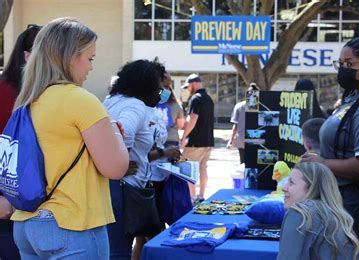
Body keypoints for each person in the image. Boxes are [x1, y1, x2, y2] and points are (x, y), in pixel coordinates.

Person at [11, 17, 129, 259]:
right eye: (90, 58)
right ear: (70, 57)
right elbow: (116, 168)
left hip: (26, 224)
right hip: (72, 226)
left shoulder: (27, 101)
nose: (91, 67)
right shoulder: (79, 100)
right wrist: (114, 131)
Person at [301, 37, 359, 259]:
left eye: (349, 64)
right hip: (348, 197)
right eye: (340, 63)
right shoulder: (356, 97)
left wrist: (323, 163)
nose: (343, 69)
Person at [104, 59, 180, 259]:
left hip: (116, 187)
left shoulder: (113, 100)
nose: (162, 91)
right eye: (158, 86)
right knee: (119, 251)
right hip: (124, 190)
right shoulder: (136, 106)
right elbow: (121, 135)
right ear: (145, 83)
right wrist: (118, 163)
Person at [0, 23, 40, 260]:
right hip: (9, 208)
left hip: (42, 212)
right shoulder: (5, 94)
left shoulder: (47, 95)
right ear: (27, 56)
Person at [278, 162, 359, 260]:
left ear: (311, 187)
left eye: (291, 183)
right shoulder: (337, 216)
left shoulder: (300, 213)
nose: (284, 188)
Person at [181, 73, 214, 203]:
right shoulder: (208, 98)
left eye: (188, 87)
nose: (188, 90)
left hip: (195, 142)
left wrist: (184, 136)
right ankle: (201, 196)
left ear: (193, 84)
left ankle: (192, 197)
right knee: (202, 168)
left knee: (188, 169)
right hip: (208, 141)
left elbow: (192, 118)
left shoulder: (196, 98)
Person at [227, 83, 259, 164]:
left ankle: (245, 175)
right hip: (257, 138)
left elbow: (235, 125)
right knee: (254, 162)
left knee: (243, 162)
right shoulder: (261, 106)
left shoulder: (239, 106)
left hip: (242, 139)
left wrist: (231, 140)